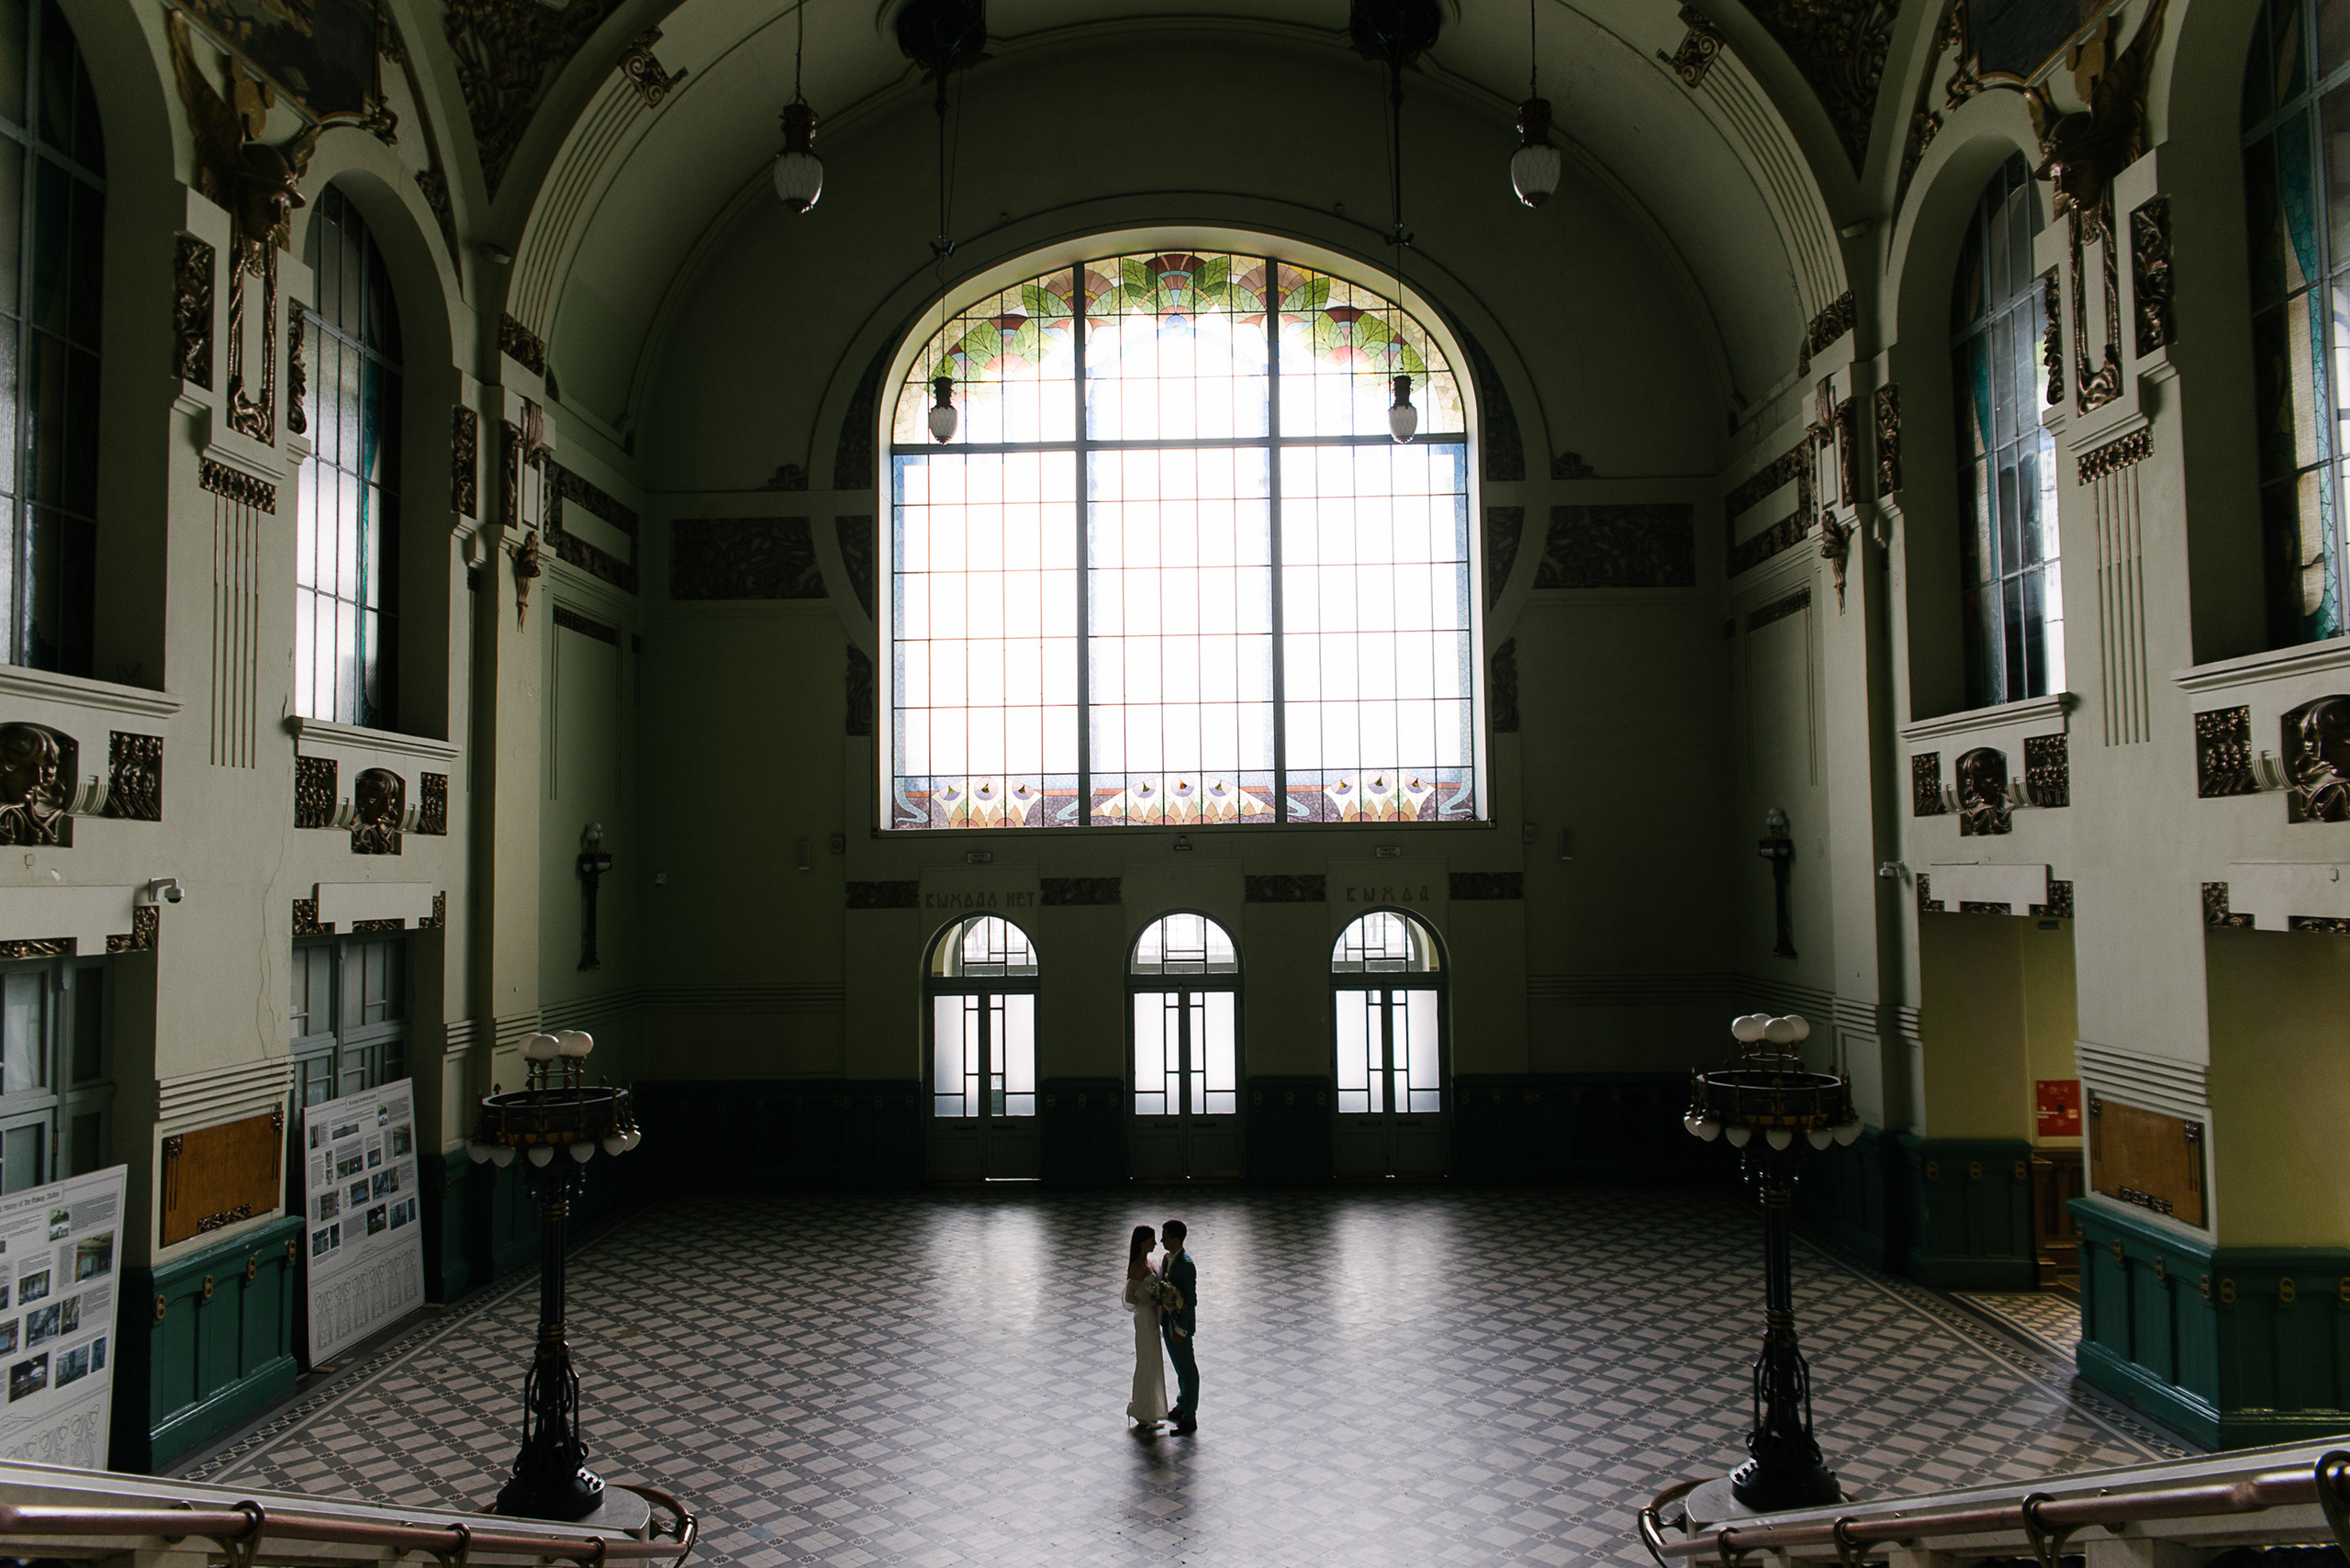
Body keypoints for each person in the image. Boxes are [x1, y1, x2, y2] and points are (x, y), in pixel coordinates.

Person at [1121, 1224, 1167, 1435]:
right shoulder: (1137, 1267)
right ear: (1141, 1243)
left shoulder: (1147, 1263)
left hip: (1152, 1319)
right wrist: (1150, 1304)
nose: (1155, 1243)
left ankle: (1148, 1410)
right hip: (1145, 1319)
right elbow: (1130, 1298)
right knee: (1147, 1363)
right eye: (1151, 1240)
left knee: (1152, 1363)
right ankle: (1143, 1410)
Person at [1159, 1218, 1197, 1433]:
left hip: (1179, 1327)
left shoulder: (1186, 1265)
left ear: (1175, 1240)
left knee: (1188, 1372)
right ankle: (1182, 1406)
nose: (1161, 1240)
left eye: (1165, 1237)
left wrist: (1181, 1330)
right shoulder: (1168, 1259)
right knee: (1180, 1369)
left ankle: (1189, 1417)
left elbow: (1190, 1301)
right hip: (1169, 1323)